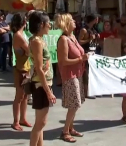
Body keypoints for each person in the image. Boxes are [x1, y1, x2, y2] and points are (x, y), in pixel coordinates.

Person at [56, 13, 88, 143]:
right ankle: (65, 131)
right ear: (67, 23)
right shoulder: (63, 39)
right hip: (70, 75)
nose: (75, 22)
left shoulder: (73, 37)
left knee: (76, 103)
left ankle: (70, 127)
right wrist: (81, 58)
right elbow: (63, 61)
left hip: (78, 73)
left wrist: (84, 57)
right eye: (72, 20)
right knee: (74, 104)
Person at [28, 11, 56, 146]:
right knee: (41, 123)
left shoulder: (39, 40)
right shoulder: (36, 42)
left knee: (40, 122)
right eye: (48, 24)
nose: (50, 26)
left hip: (42, 82)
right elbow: (39, 68)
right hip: (40, 84)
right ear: (42, 24)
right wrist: (49, 91)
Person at [10, 13, 31, 131]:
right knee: (19, 96)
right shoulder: (18, 35)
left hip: (25, 67)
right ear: (24, 22)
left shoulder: (22, 34)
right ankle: (16, 121)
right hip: (20, 68)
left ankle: (22, 118)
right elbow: (29, 50)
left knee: (25, 96)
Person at [78, 14, 98, 99]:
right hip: (86, 53)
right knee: (86, 73)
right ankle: (86, 92)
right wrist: (89, 39)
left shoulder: (93, 29)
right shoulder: (84, 30)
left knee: (92, 73)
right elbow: (79, 42)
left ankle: (91, 90)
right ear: (94, 19)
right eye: (96, 19)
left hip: (93, 52)